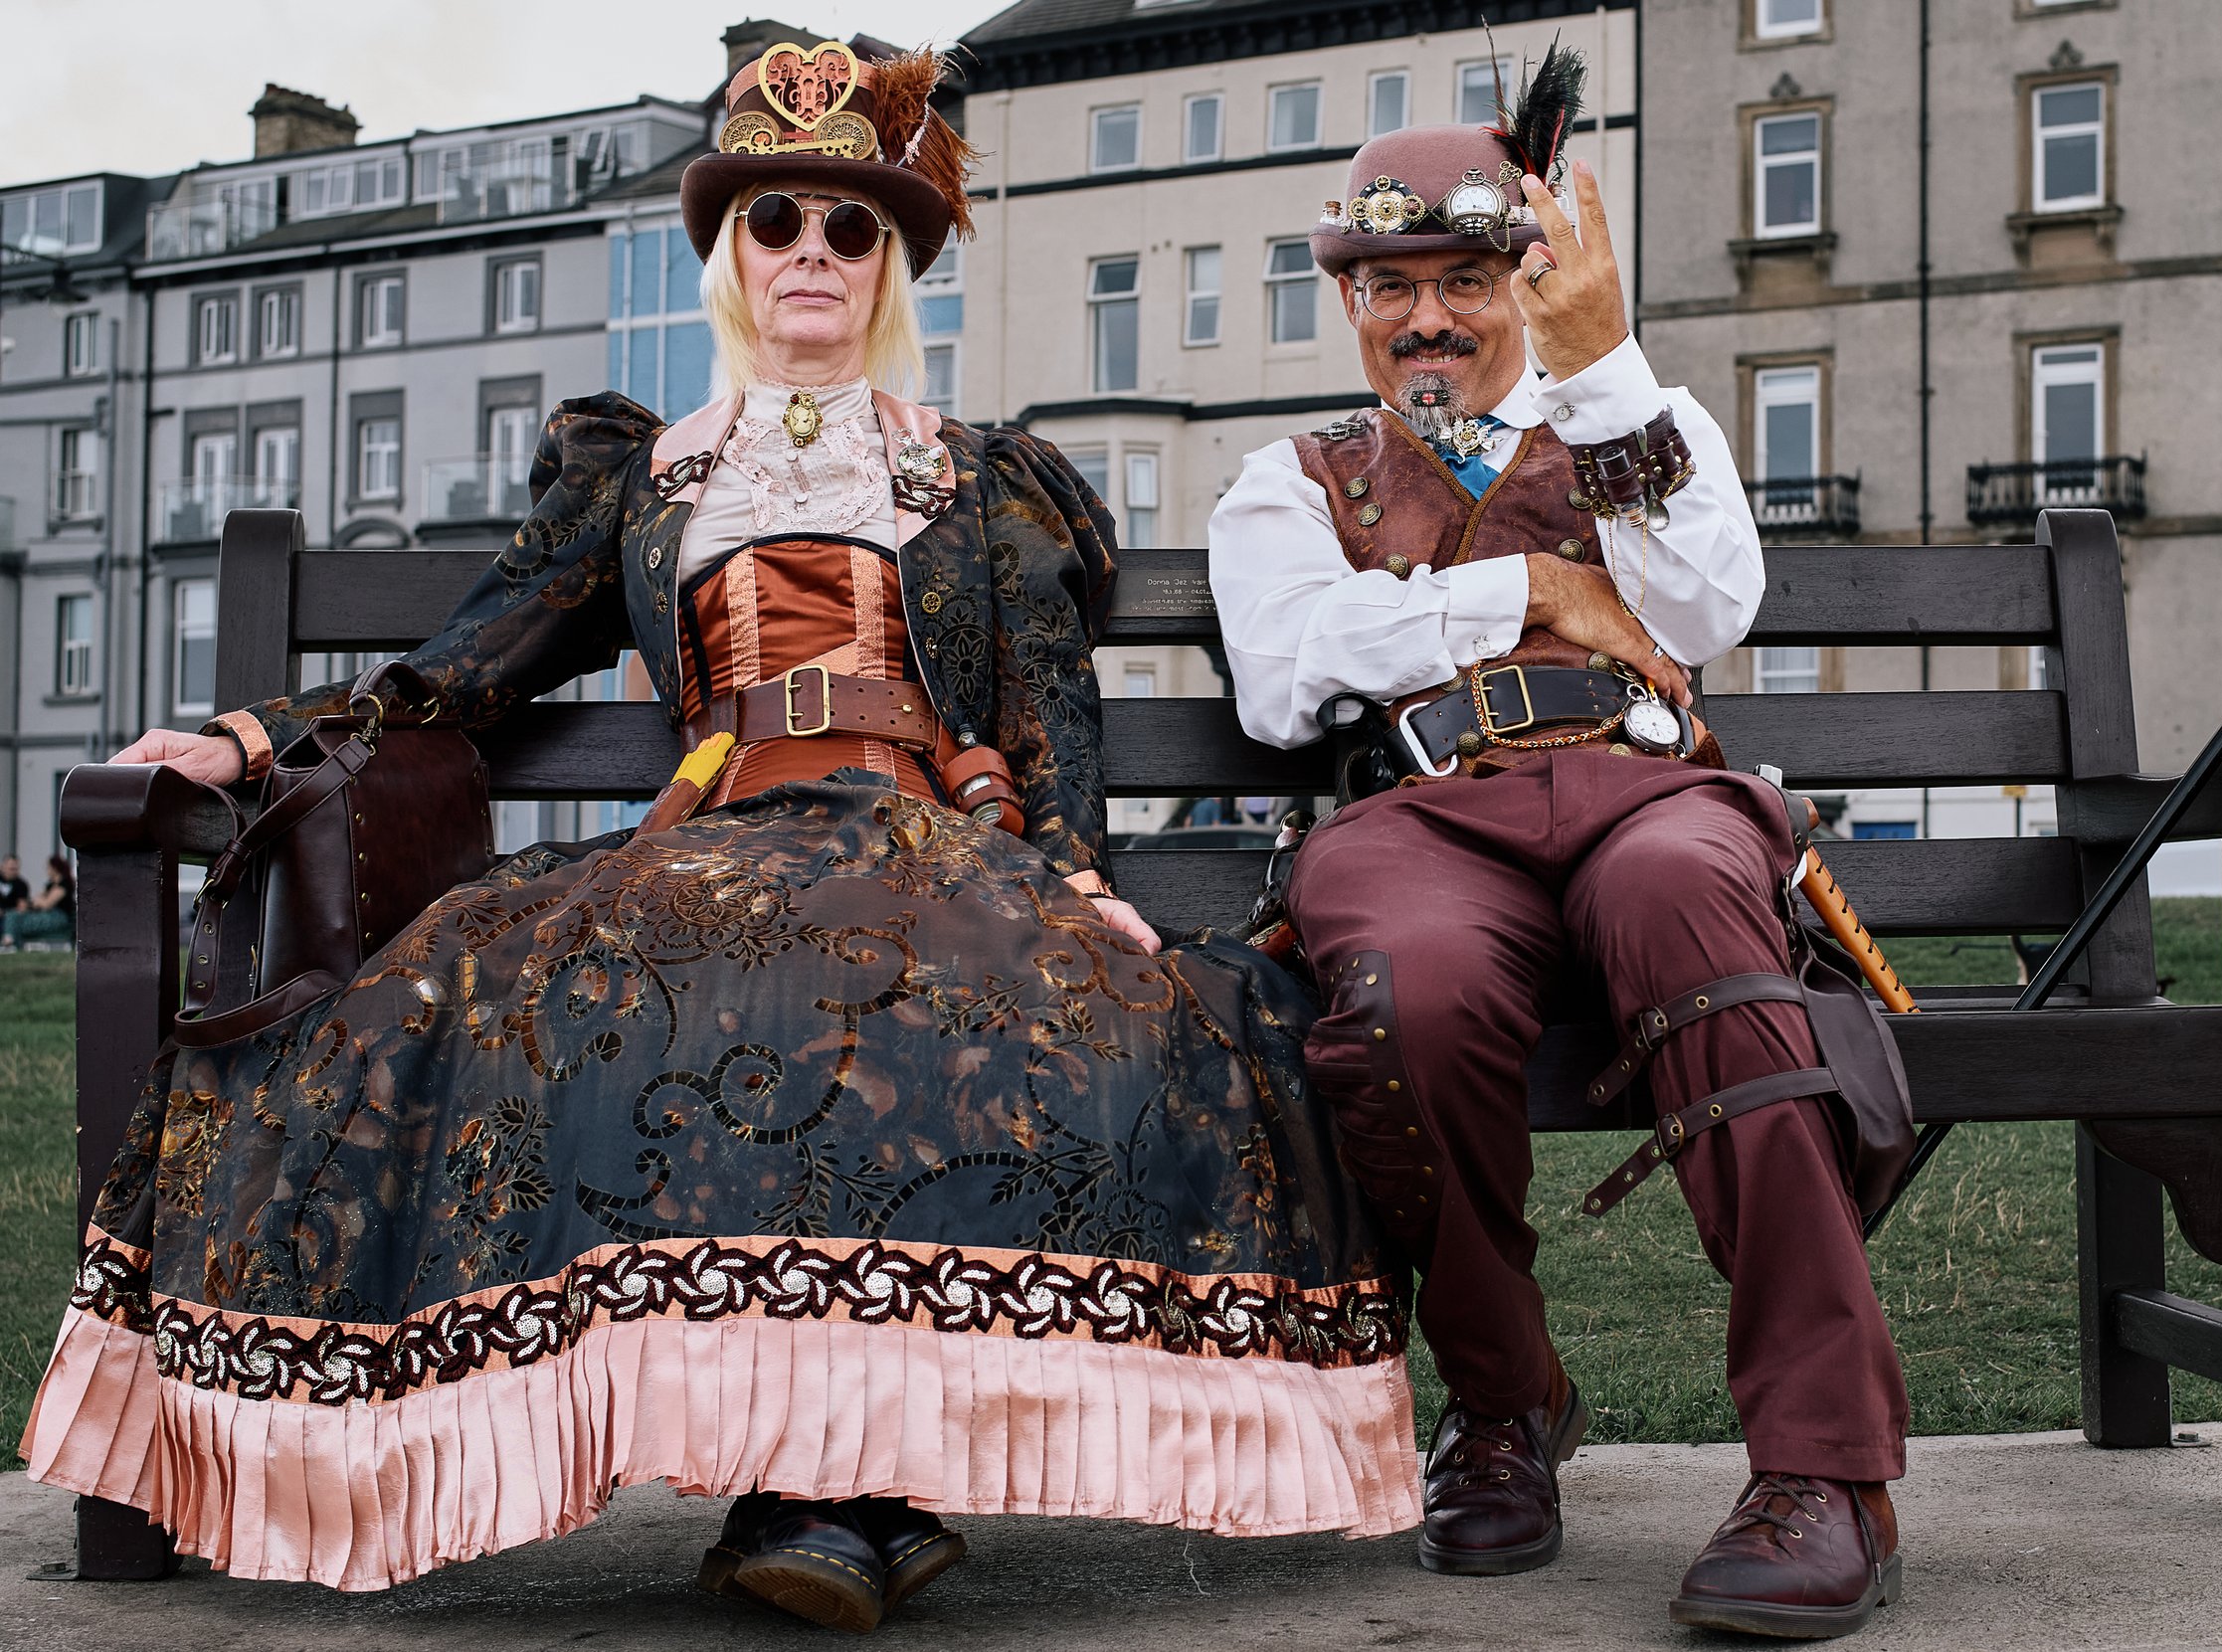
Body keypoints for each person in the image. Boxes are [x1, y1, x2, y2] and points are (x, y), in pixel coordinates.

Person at [22, 41, 1416, 1626]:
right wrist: (256, 733)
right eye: (777, 224)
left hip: (924, 841)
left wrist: (1081, 877)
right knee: (610, 1001)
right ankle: (847, 1497)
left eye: (848, 228)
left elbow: (1044, 709)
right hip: (715, 835)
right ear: (728, 256)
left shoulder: (973, 476)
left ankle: (831, 1490)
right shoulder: (651, 476)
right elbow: (470, 663)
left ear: (889, 264)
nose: (810, 254)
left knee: (919, 1007)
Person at [1207, 49, 1908, 1641]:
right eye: (1391, 287)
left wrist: (1603, 368)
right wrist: (1525, 595)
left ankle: (1825, 1468)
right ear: (1351, 305)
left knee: (1686, 900)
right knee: (1404, 991)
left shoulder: (1626, 419)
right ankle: (1507, 1405)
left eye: (1466, 278)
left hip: (1642, 794)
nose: (1429, 317)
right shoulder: (1294, 477)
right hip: (1426, 819)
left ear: (1527, 281)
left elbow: (1710, 605)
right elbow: (1281, 672)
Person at [0, 855, 71, 949]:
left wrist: (41, 901)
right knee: (13, 917)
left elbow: (47, 904)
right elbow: (35, 900)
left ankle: (9, 942)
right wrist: (40, 901)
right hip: (45, 914)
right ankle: (11, 943)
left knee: (13, 917)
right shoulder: (50, 885)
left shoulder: (63, 884)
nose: (47, 870)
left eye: (48, 867)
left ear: (55, 868)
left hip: (56, 917)